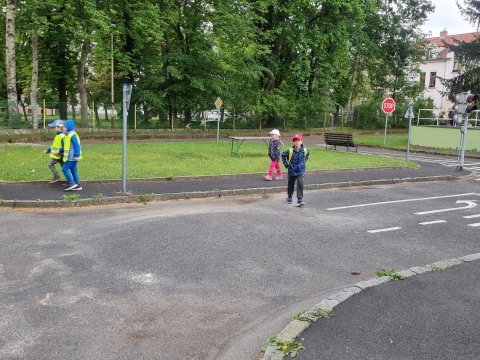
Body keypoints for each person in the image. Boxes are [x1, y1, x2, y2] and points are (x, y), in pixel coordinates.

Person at [281, 133, 310, 207]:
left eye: (298, 140)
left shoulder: (305, 150)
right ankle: (289, 197)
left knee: (300, 184)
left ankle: (300, 200)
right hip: (291, 171)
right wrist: (286, 165)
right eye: (295, 141)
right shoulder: (290, 151)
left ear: (301, 141)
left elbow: (307, 155)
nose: (297, 142)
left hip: (300, 171)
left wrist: (304, 162)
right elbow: (283, 155)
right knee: (291, 185)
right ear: (293, 142)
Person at [62, 120, 82, 191]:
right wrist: (60, 150)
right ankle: (78, 184)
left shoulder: (72, 135)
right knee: (73, 170)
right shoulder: (68, 135)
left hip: (72, 157)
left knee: (64, 168)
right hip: (71, 157)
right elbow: (67, 146)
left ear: (68, 127)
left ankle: (71, 183)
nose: (62, 128)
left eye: (64, 126)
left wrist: (77, 155)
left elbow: (77, 146)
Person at [44, 119, 65, 184]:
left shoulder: (62, 136)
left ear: (60, 127)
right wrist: (48, 150)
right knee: (64, 168)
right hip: (58, 155)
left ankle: (57, 176)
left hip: (60, 155)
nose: (54, 128)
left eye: (54, 127)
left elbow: (65, 146)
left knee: (50, 164)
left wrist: (59, 151)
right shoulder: (58, 135)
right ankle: (70, 181)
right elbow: (54, 146)